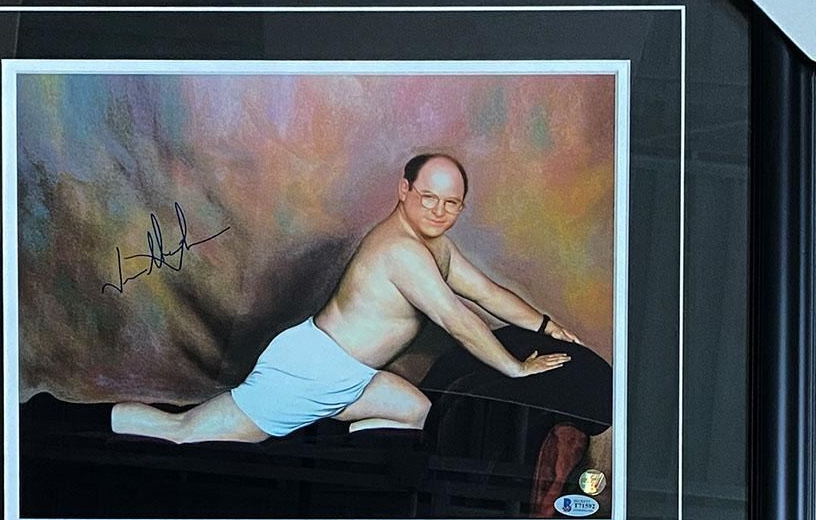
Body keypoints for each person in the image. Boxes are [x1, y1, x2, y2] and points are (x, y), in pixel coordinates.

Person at [112, 152, 603, 453]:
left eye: (451, 203)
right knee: (183, 432)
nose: (439, 210)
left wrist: (546, 325)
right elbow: (457, 319)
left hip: (351, 377)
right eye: (428, 197)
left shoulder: (436, 246)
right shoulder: (400, 251)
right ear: (404, 190)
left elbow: (488, 294)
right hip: (309, 371)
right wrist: (515, 368)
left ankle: (324, 432)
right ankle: (92, 421)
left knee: (419, 413)